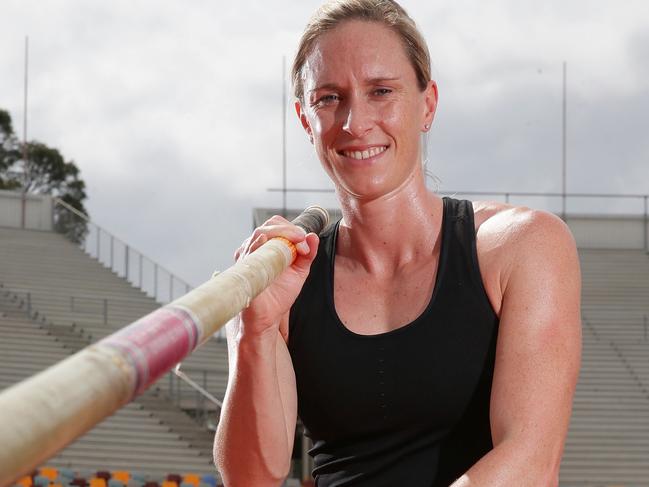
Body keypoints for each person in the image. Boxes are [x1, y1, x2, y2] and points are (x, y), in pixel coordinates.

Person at [214, 0, 582, 485]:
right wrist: (253, 333)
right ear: (305, 119)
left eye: (381, 91)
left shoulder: (522, 246)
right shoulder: (286, 283)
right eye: (329, 98)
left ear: (427, 104)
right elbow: (252, 480)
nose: (354, 122)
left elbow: (531, 462)